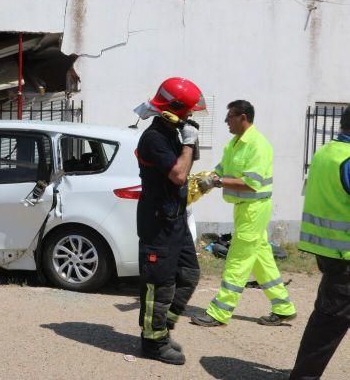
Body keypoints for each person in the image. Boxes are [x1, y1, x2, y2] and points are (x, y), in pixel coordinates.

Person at [192, 100, 296, 327]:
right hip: (244, 210)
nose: (226, 121)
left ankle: (219, 312)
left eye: (229, 117)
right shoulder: (234, 144)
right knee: (262, 260)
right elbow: (222, 170)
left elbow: (251, 184)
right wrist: (206, 178)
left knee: (237, 260)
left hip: (254, 210)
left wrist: (217, 183)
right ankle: (283, 307)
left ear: (243, 117)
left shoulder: (258, 145)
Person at [134, 77, 205, 365]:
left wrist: (190, 140)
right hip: (157, 221)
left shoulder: (171, 132)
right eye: (187, 112)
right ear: (173, 108)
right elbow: (177, 174)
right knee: (158, 284)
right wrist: (188, 143)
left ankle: (161, 328)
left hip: (174, 217)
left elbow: (186, 171)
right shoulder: (153, 138)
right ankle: (152, 342)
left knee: (188, 274)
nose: (189, 117)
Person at [289, 105, 350, 380]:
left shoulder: (326, 152)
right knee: (328, 323)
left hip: (329, 250)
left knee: (327, 319)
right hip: (345, 255)